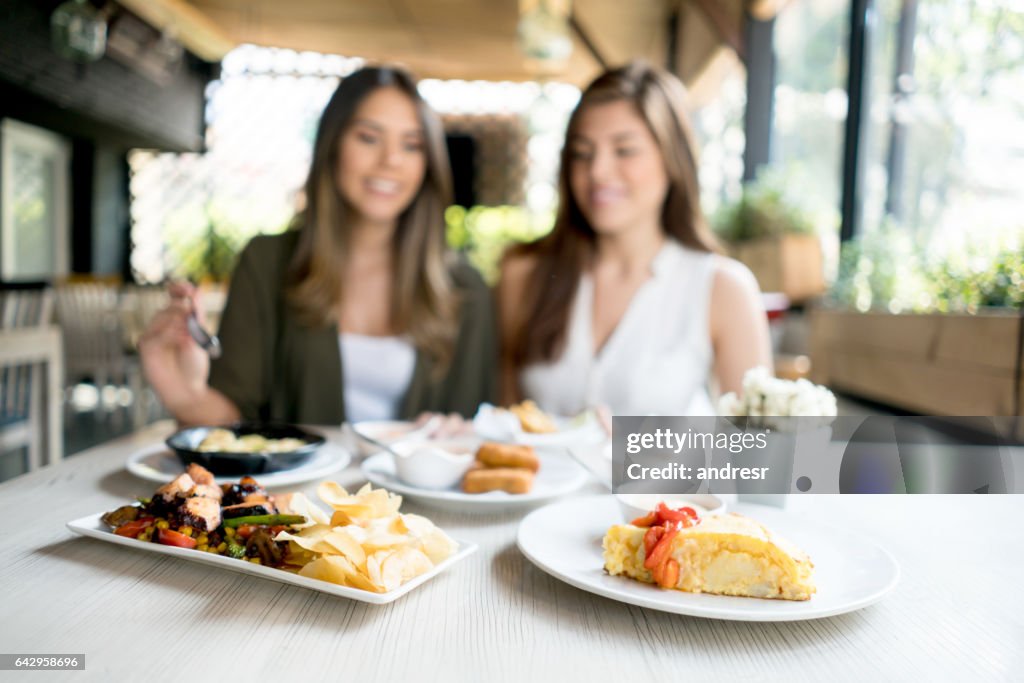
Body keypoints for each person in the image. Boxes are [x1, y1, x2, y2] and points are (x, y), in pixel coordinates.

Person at [140, 66, 497, 426]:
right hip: (295, 485)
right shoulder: (267, 264)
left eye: (412, 145)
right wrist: (185, 396)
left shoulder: (466, 291)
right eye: (369, 138)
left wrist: (464, 436)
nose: (392, 160)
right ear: (332, 144)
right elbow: (233, 425)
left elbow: (479, 429)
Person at [498, 61, 771, 417]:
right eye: (582, 153)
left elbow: (759, 454)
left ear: (673, 159)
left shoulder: (723, 288)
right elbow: (504, 427)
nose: (597, 171)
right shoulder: (523, 274)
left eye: (624, 150)